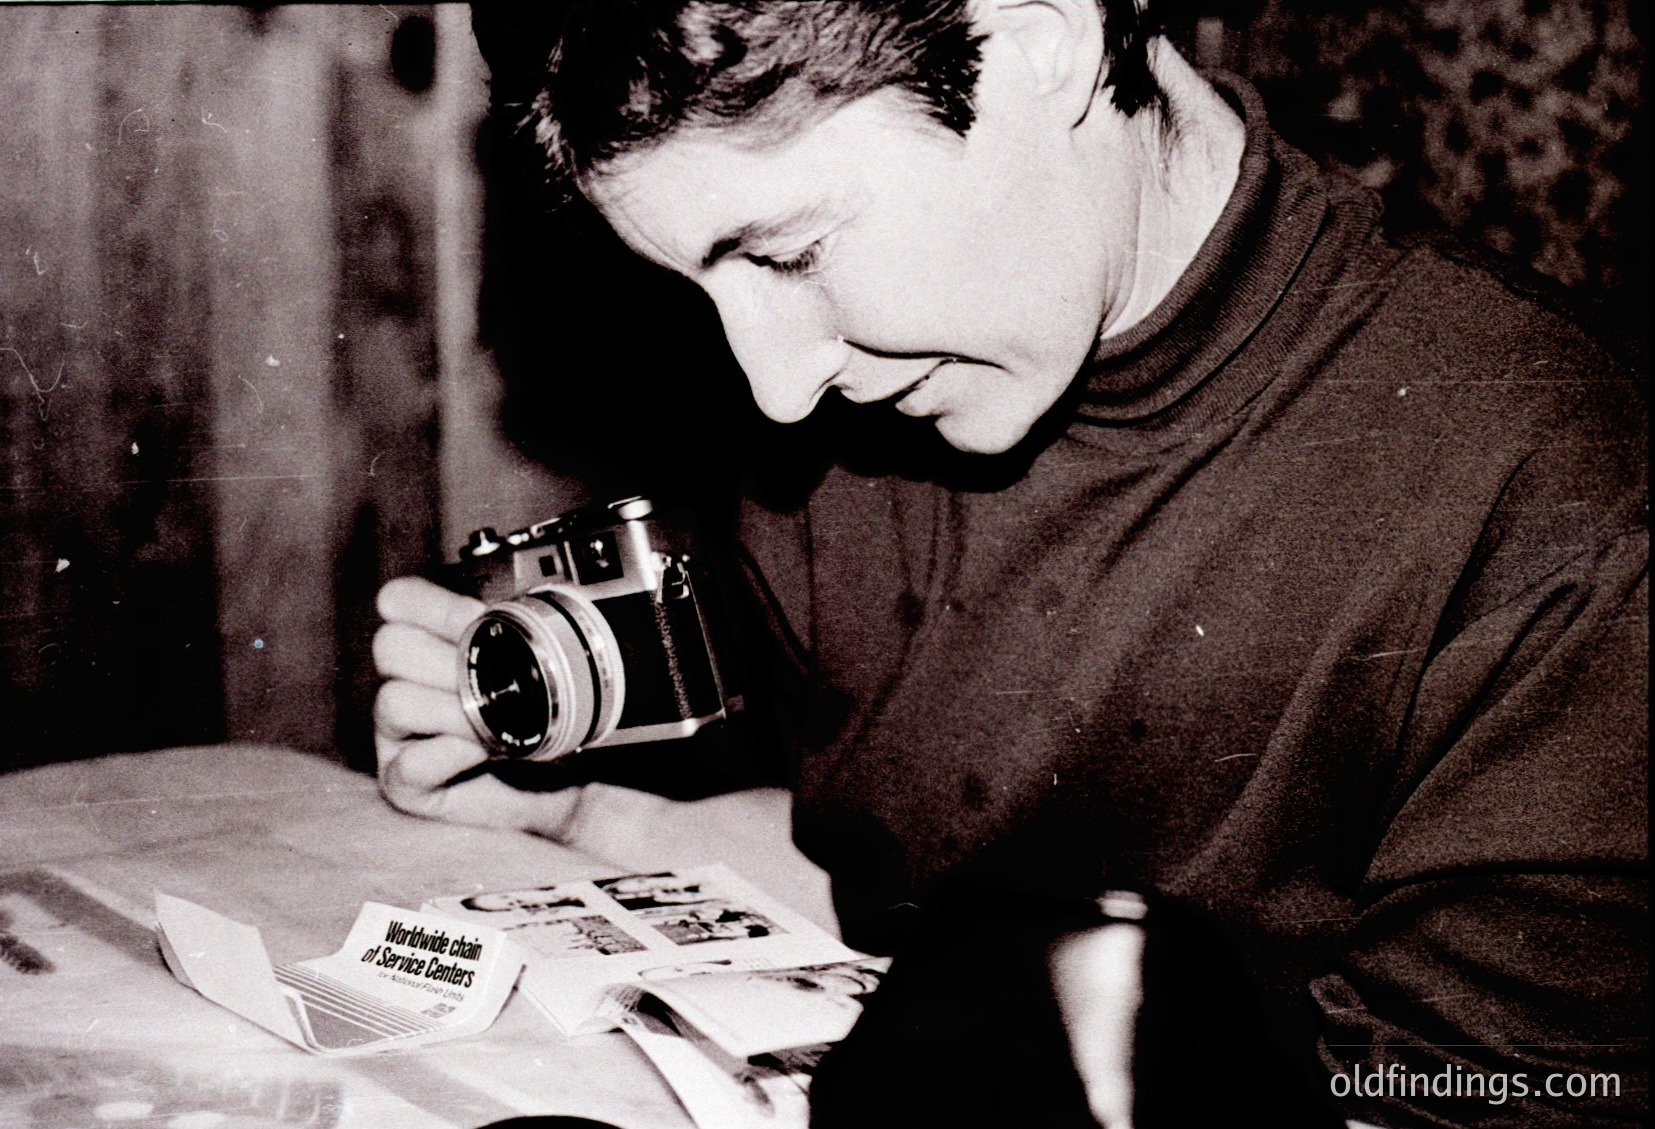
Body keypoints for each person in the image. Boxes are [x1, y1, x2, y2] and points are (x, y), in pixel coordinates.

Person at [373, 2, 1647, 1125]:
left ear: (1038, 42)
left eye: (787, 253)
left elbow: (1499, 1096)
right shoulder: (872, 409)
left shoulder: (1554, 493)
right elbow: (906, 892)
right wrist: (583, 814)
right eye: (704, 288)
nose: (773, 387)